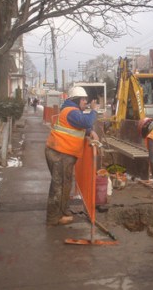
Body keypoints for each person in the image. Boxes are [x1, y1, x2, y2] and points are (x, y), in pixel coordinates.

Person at [44, 86, 97, 226]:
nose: (86, 102)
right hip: (59, 153)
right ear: (77, 99)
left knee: (65, 184)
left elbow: (81, 127)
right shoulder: (71, 111)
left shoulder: (72, 112)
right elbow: (86, 122)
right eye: (84, 99)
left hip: (62, 153)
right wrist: (94, 110)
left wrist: (89, 131)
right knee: (58, 186)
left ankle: (63, 211)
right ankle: (53, 218)